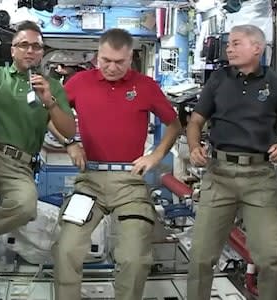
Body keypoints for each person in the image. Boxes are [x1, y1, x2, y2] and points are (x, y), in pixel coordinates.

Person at [51, 28, 182, 300]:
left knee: (134, 258)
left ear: (130, 57)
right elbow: (50, 114)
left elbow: (174, 124)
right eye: (105, 60)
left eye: (119, 62)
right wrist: (70, 143)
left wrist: (155, 156)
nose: (111, 67)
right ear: (97, 56)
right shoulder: (79, 82)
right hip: (90, 182)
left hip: (130, 184)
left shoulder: (145, 86)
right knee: (66, 249)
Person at [186, 24, 277, 300]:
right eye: (228, 43)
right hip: (219, 175)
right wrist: (194, 146)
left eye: (236, 43)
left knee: (271, 259)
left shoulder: (275, 82)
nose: (229, 47)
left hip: (259, 178)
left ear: (257, 48)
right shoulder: (218, 79)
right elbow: (195, 122)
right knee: (201, 257)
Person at [0, 21, 76, 268]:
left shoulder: (52, 88)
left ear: (41, 52)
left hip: (20, 166)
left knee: (26, 208)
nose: (30, 51)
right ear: (13, 50)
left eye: (36, 47)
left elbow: (69, 130)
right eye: (23, 45)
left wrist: (49, 102)